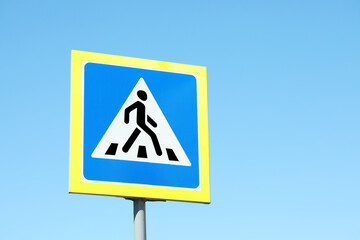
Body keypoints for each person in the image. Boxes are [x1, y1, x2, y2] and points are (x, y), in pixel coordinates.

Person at [122, 90, 162, 156]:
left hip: (142, 123)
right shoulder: (138, 103)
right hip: (140, 123)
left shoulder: (142, 105)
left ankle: (125, 149)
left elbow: (145, 116)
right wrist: (126, 120)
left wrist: (153, 123)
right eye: (144, 96)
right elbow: (127, 110)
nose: (145, 97)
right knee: (153, 135)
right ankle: (159, 153)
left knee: (134, 135)